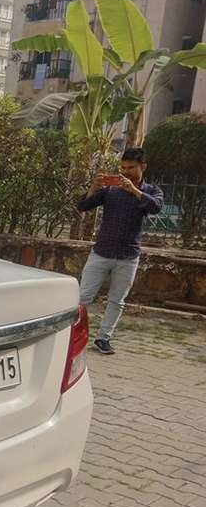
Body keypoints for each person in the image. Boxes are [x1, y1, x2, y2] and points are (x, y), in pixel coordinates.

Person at [76, 147, 164, 355]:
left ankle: (103, 338)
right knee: (83, 297)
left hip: (128, 256)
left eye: (131, 168)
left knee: (117, 300)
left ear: (143, 166)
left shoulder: (152, 191)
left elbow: (156, 207)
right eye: (123, 168)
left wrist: (134, 190)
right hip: (101, 252)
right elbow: (83, 206)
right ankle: (72, 334)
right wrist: (94, 187)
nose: (126, 172)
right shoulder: (110, 190)